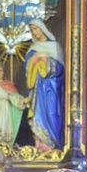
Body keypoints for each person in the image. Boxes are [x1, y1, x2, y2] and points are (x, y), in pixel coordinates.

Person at [25, 19, 65, 151]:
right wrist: (34, 59)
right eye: (32, 30)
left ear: (42, 28)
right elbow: (27, 70)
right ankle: (40, 145)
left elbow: (60, 69)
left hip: (52, 87)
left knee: (52, 113)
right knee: (38, 116)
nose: (34, 32)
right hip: (38, 90)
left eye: (36, 28)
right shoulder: (32, 49)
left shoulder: (55, 46)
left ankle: (53, 145)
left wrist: (45, 59)